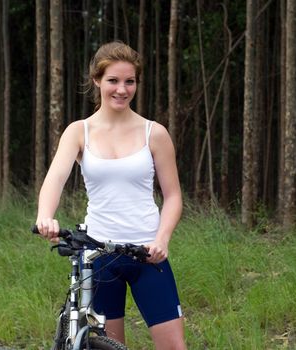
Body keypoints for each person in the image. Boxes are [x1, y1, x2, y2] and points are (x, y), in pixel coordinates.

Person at [36, 41, 186, 349]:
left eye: (129, 81)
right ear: (97, 80)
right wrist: (45, 216)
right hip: (99, 253)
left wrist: (162, 239)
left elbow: (172, 197)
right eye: (113, 81)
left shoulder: (153, 133)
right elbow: (55, 178)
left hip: (147, 251)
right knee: (108, 346)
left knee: (173, 345)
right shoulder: (80, 131)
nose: (121, 89)